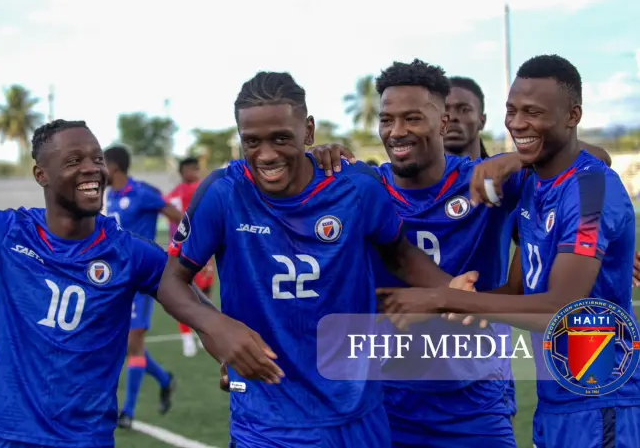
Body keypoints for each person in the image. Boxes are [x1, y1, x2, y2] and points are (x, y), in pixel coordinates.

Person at [154, 71, 480, 447]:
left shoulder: (355, 187)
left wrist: (452, 292)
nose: (267, 154)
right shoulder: (223, 193)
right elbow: (171, 281)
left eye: (281, 138)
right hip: (267, 422)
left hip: (359, 415)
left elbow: (401, 256)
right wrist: (216, 327)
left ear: (308, 132)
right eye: (252, 141)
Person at [0, 120, 214, 448]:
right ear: (41, 174)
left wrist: (222, 336)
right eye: (75, 159)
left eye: (97, 158)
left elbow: (187, 297)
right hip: (8, 439)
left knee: (137, 344)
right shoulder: (4, 231)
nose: (91, 167)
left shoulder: (131, 253)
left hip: (85, 440)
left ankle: (153, 388)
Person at [381, 55, 640, 448]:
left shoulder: (590, 189)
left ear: (573, 115)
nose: (518, 123)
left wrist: (439, 298)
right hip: (556, 400)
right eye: (512, 111)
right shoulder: (534, 188)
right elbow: (521, 292)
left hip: (600, 397)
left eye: (533, 112)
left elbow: (561, 309)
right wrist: (460, 298)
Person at [311, 60, 524, 447]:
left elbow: (588, 165)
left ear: (443, 123)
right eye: (387, 119)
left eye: (412, 118)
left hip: (474, 402)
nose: (397, 132)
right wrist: (319, 156)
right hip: (387, 402)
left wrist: (523, 158)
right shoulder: (362, 188)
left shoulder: (484, 181)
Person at [102, 145, 182, 428]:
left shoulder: (143, 193)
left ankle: (129, 413)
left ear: (114, 167)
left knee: (134, 343)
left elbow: (178, 218)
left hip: (142, 277)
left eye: (102, 164)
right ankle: (165, 379)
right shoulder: (110, 195)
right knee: (126, 344)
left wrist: (179, 252)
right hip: (115, 279)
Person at [166, 156, 216, 357]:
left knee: (205, 292)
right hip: (187, 251)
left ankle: (202, 334)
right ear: (182, 172)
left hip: (205, 249)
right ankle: (187, 338)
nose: (194, 173)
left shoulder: (199, 188)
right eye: (190, 169)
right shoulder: (182, 192)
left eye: (196, 169)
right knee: (187, 294)